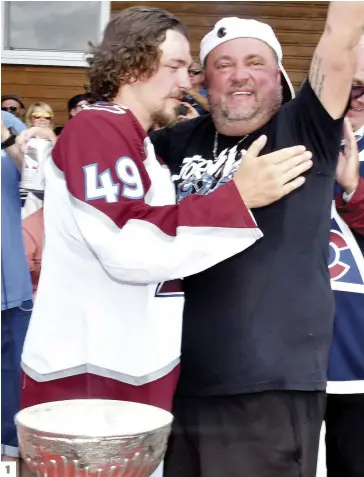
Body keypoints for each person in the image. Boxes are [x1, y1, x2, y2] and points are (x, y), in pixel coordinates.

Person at [19, 6, 312, 463]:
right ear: (134, 65)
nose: (187, 82)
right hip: (90, 376)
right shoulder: (99, 128)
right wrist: (236, 198)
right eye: (175, 66)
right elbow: (128, 244)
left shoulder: (141, 147)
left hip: (125, 371)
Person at [149, 4, 364, 477]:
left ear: (281, 75)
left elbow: (341, 35)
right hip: (178, 379)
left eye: (255, 63)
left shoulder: (305, 126)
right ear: (204, 79)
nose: (239, 76)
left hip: (266, 384)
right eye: (223, 65)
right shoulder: (175, 141)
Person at [325, 38, 364, 477]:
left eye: (363, 88)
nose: (352, 98)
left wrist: (352, 188)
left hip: (357, 343)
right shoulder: (301, 136)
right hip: (296, 341)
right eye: (344, 86)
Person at [1, 112, 33, 471]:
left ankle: (7, 462)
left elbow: (39, 180)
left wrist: (7, 139)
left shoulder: (11, 124)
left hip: (10, 283)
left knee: (12, 385)